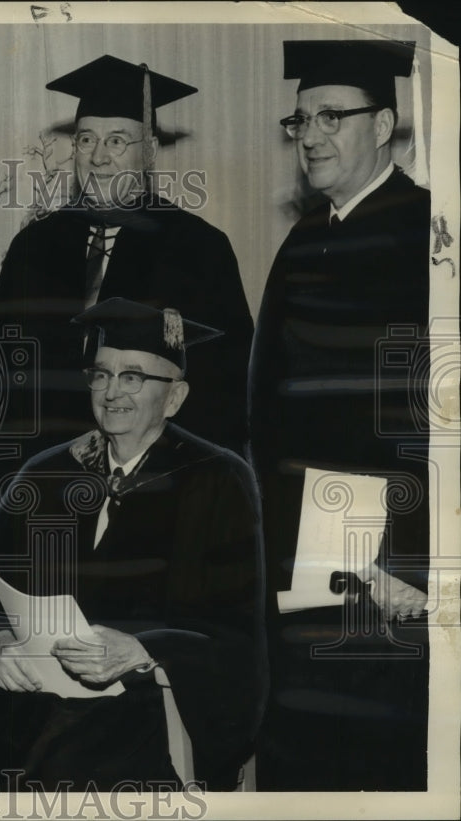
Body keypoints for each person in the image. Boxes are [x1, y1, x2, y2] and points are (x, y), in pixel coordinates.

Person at [0, 299, 266, 792]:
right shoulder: (47, 471)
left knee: (67, 766)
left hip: (139, 699)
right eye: (101, 374)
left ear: (174, 397)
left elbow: (236, 633)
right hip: (26, 694)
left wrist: (141, 649)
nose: (113, 392)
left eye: (134, 377)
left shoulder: (217, 479)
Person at [249, 39, 431, 790]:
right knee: (301, 736)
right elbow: (265, 398)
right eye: (301, 121)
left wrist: (415, 557)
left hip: (385, 537)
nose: (312, 136)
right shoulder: (300, 242)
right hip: (302, 529)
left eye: (333, 116)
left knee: (377, 737)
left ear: (384, 122)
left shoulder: (428, 233)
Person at [0, 56, 252, 534]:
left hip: (151, 493)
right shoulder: (35, 244)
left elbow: (223, 390)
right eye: (86, 139)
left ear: (150, 152)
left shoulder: (198, 247)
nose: (98, 156)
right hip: (40, 492)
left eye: (117, 141)